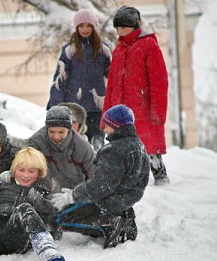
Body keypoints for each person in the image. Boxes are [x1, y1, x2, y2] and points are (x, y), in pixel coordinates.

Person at [51, 105, 150, 248]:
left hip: (107, 202)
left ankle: (108, 224)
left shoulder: (113, 151)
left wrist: (73, 196)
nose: (103, 129)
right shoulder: (138, 146)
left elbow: (100, 186)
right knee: (76, 211)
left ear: (116, 126)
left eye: (107, 125)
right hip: (125, 201)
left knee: (61, 218)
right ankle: (124, 217)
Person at [102, 6, 170, 186]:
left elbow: (159, 81)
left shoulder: (148, 45)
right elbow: (111, 87)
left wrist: (158, 113)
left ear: (133, 26)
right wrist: (106, 116)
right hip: (120, 110)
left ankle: (161, 180)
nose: (119, 32)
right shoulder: (118, 49)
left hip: (143, 108)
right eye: (117, 28)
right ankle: (129, 182)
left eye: (123, 27)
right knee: (122, 148)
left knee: (149, 146)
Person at [47, 8, 111, 151]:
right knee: (75, 145)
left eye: (88, 25)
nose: (85, 29)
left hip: (97, 106)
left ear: (94, 27)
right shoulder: (69, 50)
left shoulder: (104, 50)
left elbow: (112, 77)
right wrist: (54, 105)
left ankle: (97, 171)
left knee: (97, 145)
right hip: (74, 107)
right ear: (76, 27)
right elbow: (60, 79)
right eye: (81, 25)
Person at [28, 106, 96, 193]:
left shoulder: (82, 147)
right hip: (44, 191)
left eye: (61, 132)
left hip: (74, 194)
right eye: (52, 132)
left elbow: (94, 177)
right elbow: (29, 169)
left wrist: (75, 195)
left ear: (69, 129)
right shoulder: (36, 143)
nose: (56, 136)